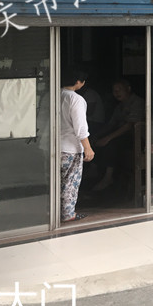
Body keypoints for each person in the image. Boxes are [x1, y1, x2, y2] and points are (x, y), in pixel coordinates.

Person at [91, 79, 144, 192]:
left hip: (136, 137)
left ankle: (108, 177)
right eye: (114, 91)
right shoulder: (120, 106)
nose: (116, 93)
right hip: (122, 135)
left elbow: (129, 125)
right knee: (96, 139)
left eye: (119, 90)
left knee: (111, 143)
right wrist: (98, 135)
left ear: (128, 89)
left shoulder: (137, 102)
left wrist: (107, 138)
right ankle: (94, 169)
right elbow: (111, 124)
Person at [61, 68, 95, 222]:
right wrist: (87, 147)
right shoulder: (75, 99)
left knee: (54, 182)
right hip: (69, 148)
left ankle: (52, 212)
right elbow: (80, 127)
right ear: (78, 82)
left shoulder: (52, 95)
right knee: (70, 181)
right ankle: (68, 214)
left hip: (50, 146)